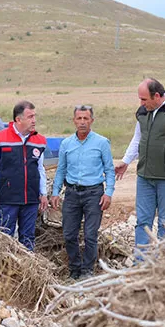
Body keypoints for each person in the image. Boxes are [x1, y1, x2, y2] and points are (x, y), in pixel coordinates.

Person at [114, 79, 165, 257]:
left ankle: (163, 263)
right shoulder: (144, 112)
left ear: (157, 96)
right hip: (145, 176)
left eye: (144, 99)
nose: (141, 104)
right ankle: (140, 263)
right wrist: (126, 161)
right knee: (143, 221)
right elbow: (137, 139)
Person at [51, 105, 115, 279]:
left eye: (86, 118)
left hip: (94, 193)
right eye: (79, 118)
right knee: (69, 234)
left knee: (90, 235)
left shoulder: (101, 143)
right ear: (74, 121)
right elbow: (61, 170)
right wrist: (55, 192)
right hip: (72, 193)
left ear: (92, 121)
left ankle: (87, 271)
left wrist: (108, 193)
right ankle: (74, 269)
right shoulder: (66, 144)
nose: (82, 122)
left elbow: (109, 170)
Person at [0, 100, 49, 251]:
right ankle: (4, 270)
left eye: (35, 116)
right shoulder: (0, 139)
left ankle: (28, 271)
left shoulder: (39, 141)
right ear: (18, 119)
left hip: (31, 199)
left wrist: (43, 193)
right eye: (30, 117)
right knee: (5, 236)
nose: (34, 120)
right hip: (8, 198)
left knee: (28, 237)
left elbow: (40, 169)